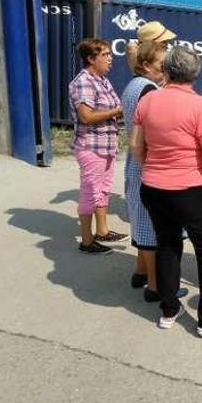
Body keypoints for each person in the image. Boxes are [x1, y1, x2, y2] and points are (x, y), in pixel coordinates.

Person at [130, 46, 202, 337]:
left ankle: (168, 309)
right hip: (191, 187)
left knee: (167, 245)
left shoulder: (149, 100)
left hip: (154, 186)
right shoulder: (201, 106)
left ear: (166, 70)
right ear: (195, 73)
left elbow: (135, 146)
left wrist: (152, 168)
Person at [121, 41, 188, 302]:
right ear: (146, 65)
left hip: (136, 159)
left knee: (140, 217)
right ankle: (155, 285)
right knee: (151, 226)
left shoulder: (134, 85)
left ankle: (141, 271)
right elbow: (153, 130)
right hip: (148, 160)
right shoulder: (148, 90)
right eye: (162, 64)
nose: (166, 69)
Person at [68, 38, 128, 255]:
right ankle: (86, 240)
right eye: (105, 55)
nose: (110, 58)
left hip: (106, 145)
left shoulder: (101, 80)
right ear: (91, 59)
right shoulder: (83, 81)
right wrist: (118, 111)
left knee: (102, 190)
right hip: (91, 147)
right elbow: (86, 116)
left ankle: (102, 231)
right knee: (89, 192)